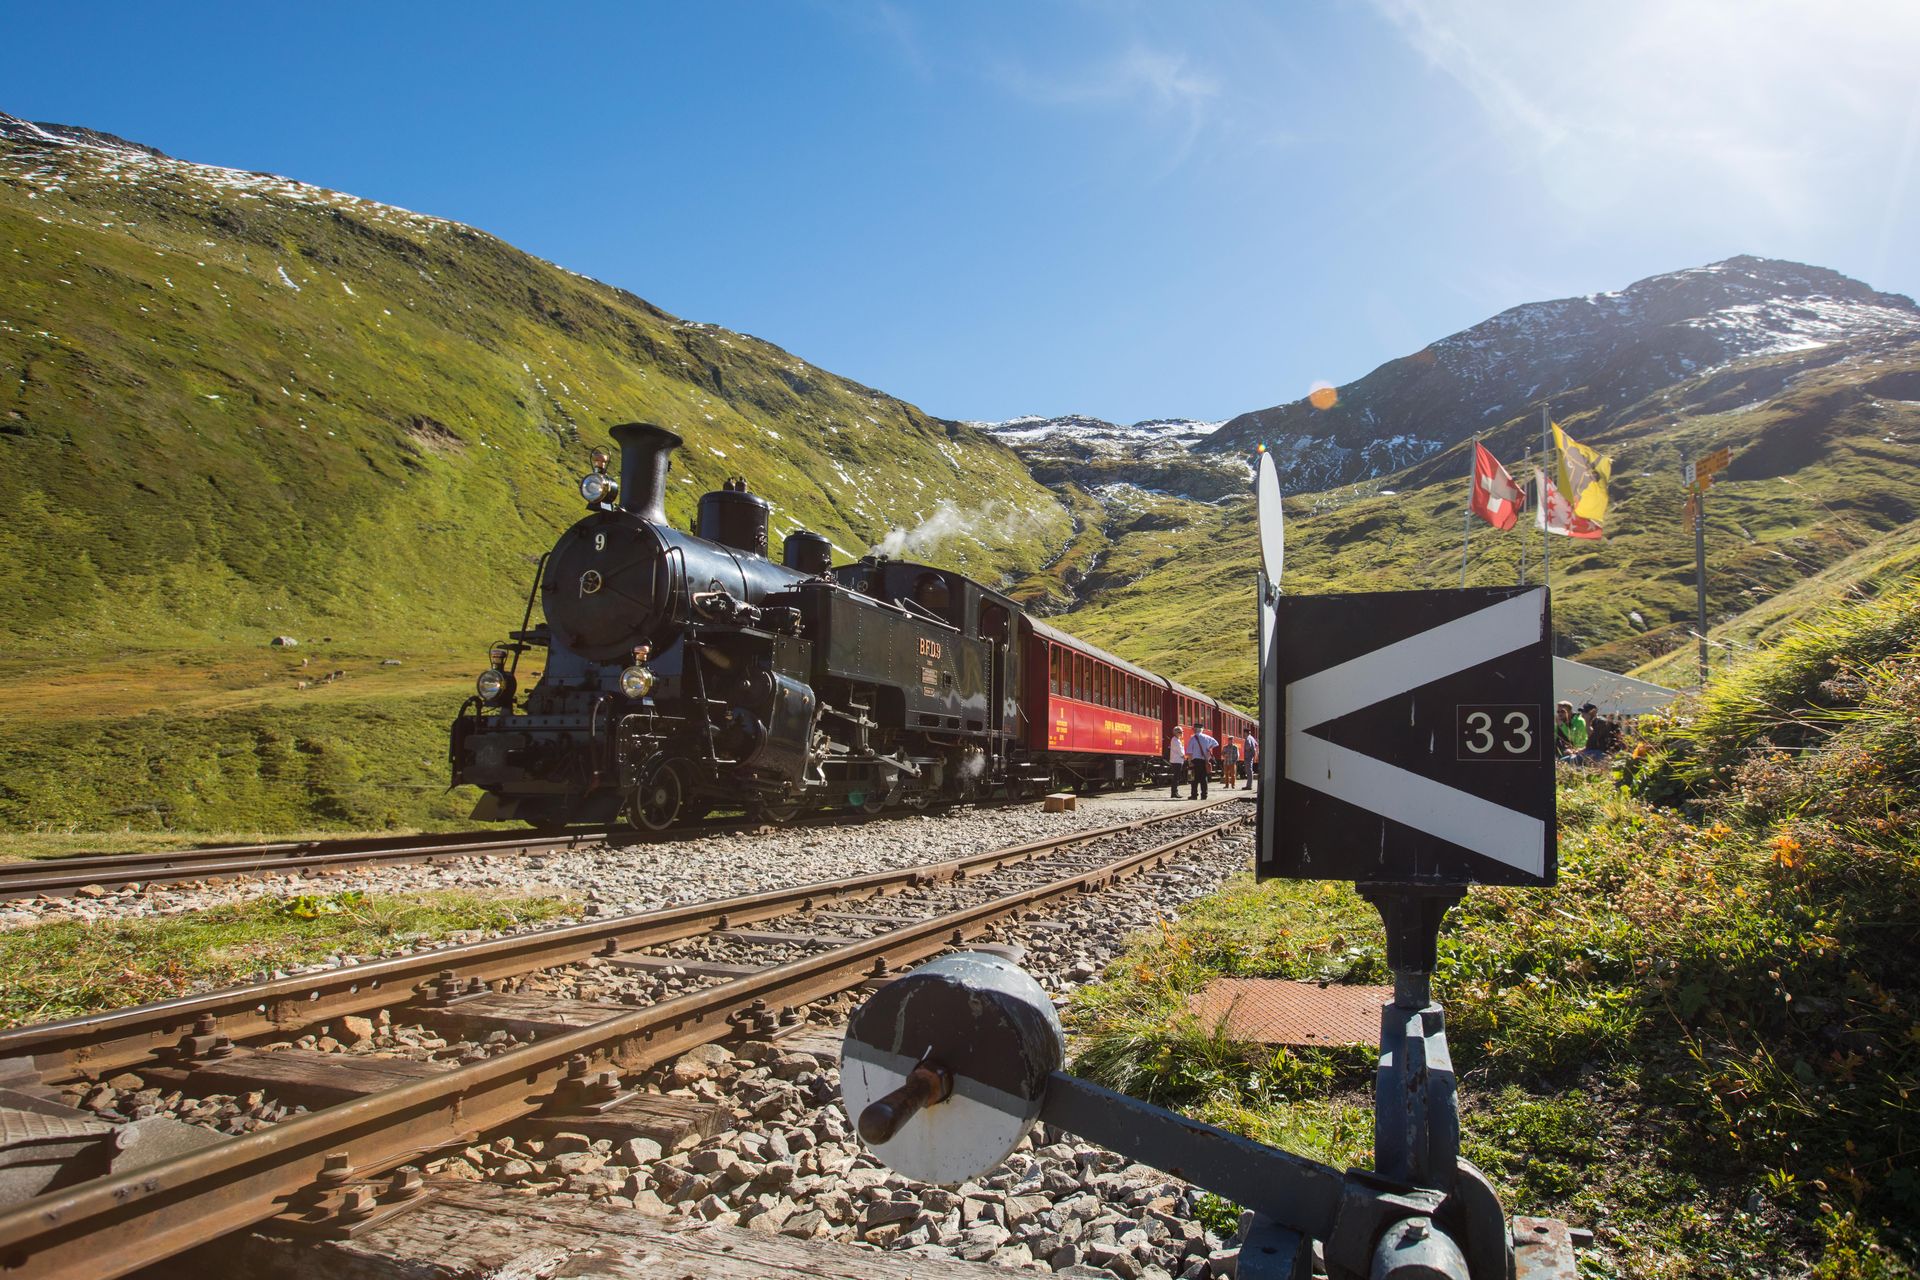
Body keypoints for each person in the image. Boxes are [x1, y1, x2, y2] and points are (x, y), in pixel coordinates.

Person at [1185, 724, 1218, 799]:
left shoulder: (1193, 738)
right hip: (1204, 760)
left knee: (1193, 779)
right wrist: (1208, 747)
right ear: (1201, 730)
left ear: (1195, 729)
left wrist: (1190, 761)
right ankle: (1204, 795)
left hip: (1195, 761)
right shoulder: (1207, 737)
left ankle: (1194, 795)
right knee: (1203, 778)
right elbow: (1216, 743)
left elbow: (1189, 752)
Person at [1167, 725, 1186, 798]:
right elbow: (1180, 751)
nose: (1182, 734)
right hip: (1177, 760)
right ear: (1176, 733)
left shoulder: (1175, 740)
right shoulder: (1176, 740)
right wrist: (1184, 756)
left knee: (1176, 777)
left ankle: (1174, 792)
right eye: (1180, 732)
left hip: (1177, 760)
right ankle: (1174, 792)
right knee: (1176, 777)